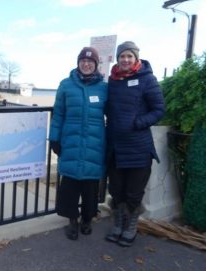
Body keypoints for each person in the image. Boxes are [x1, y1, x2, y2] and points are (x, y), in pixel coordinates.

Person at [105, 41, 165, 247]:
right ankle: (119, 222)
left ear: (136, 58)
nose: (125, 60)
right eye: (122, 56)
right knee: (117, 190)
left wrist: (138, 123)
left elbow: (159, 110)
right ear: (117, 58)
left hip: (138, 147)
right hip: (115, 148)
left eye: (129, 56)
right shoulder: (112, 81)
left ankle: (130, 225)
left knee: (134, 192)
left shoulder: (148, 79)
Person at [49, 47, 108, 240]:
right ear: (78, 63)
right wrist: (54, 138)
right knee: (70, 185)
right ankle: (72, 220)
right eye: (83, 60)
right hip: (71, 140)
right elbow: (58, 114)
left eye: (91, 61)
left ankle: (87, 219)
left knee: (91, 186)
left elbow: (113, 114)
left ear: (96, 65)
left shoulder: (103, 88)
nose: (87, 64)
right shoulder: (66, 85)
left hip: (94, 141)